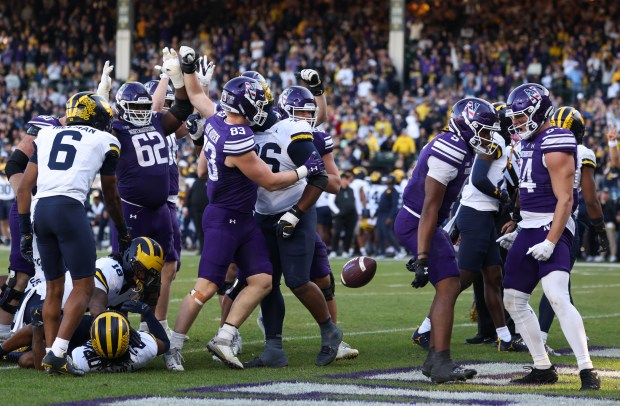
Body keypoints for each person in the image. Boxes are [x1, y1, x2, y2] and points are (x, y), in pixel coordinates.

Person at [163, 48, 325, 371]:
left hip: (243, 219)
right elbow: (272, 181)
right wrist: (307, 170)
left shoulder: (218, 117)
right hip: (224, 218)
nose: (264, 107)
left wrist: (189, 68)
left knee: (263, 280)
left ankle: (224, 336)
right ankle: (174, 346)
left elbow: (194, 94)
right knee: (205, 288)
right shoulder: (236, 137)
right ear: (248, 106)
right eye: (259, 102)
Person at [16, 91, 130, 376]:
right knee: (84, 286)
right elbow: (110, 193)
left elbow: (24, 187)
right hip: (69, 209)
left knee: (52, 288)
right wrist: (121, 228)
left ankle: (52, 353)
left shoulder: (48, 135)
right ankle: (57, 353)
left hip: (41, 209)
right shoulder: (106, 140)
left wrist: (24, 231)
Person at [497, 84, 600, 390]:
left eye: (521, 116)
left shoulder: (557, 139)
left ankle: (586, 370)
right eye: (514, 118)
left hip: (553, 225)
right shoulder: (528, 143)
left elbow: (565, 200)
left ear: (539, 111)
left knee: (556, 294)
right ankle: (543, 367)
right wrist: (518, 227)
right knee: (513, 300)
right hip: (529, 227)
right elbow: (525, 192)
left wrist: (551, 240)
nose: (516, 123)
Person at [394, 97, 499, 383]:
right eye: (485, 130)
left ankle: (435, 357)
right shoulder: (450, 149)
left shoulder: (458, 145)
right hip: (417, 221)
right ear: (467, 126)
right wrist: (423, 255)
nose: (489, 136)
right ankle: (440, 361)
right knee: (450, 284)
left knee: (449, 285)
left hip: (425, 222)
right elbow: (429, 205)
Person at [102, 49, 194, 336]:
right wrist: (101, 95)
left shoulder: (155, 121)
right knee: (122, 272)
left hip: (161, 210)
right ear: (121, 108)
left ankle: (152, 330)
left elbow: (182, 109)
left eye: (145, 107)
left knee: (160, 271)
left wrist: (177, 78)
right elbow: (94, 123)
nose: (142, 112)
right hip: (132, 210)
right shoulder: (116, 130)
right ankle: (115, 330)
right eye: (136, 108)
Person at [537, 106, 609, 354]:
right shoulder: (582, 152)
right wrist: (599, 229)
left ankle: (576, 333)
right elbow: (590, 198)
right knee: (555, 282)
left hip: (534, 219)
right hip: (565, 222)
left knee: (557, 281)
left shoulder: (539, 145)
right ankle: (539, 337)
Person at [0, 114, 63, 340]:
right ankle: (3, 330)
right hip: (31, 206)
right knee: (22, 273)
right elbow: (14, 164)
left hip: (54, 207)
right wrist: (24, 196)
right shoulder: (49, 124)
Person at [71, 302, 169, 373]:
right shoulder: (142, 353)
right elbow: (165, 343)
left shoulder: (80, 360)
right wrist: (146, 311)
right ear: (127, 339)